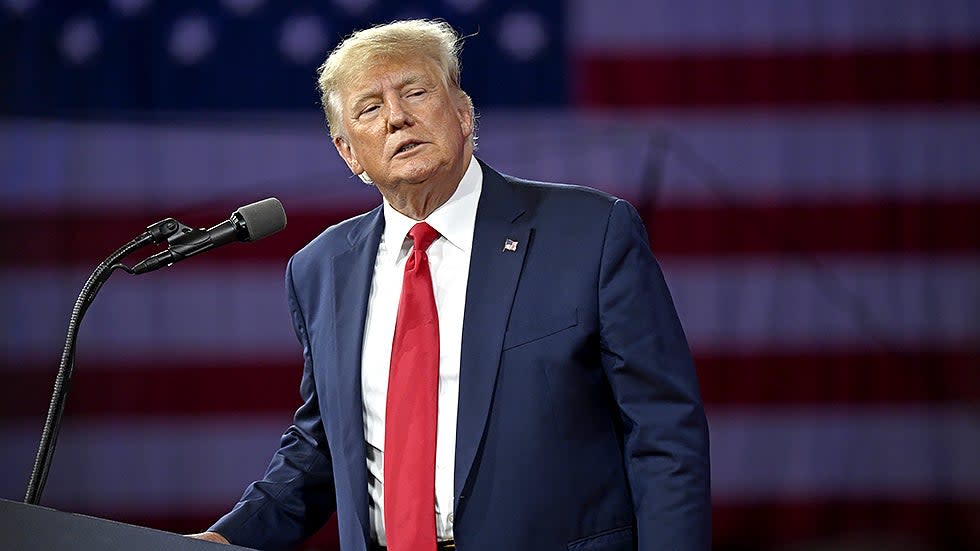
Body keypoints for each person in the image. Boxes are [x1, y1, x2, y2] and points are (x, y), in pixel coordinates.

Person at [190, 19, 710, 551]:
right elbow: (321, 449)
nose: (397, 117)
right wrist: (223, 541)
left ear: (463, 114)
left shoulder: (589, 232)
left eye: (415, 92)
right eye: (370, 108)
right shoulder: (320, 268)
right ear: (349, 152)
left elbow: (664, 433)